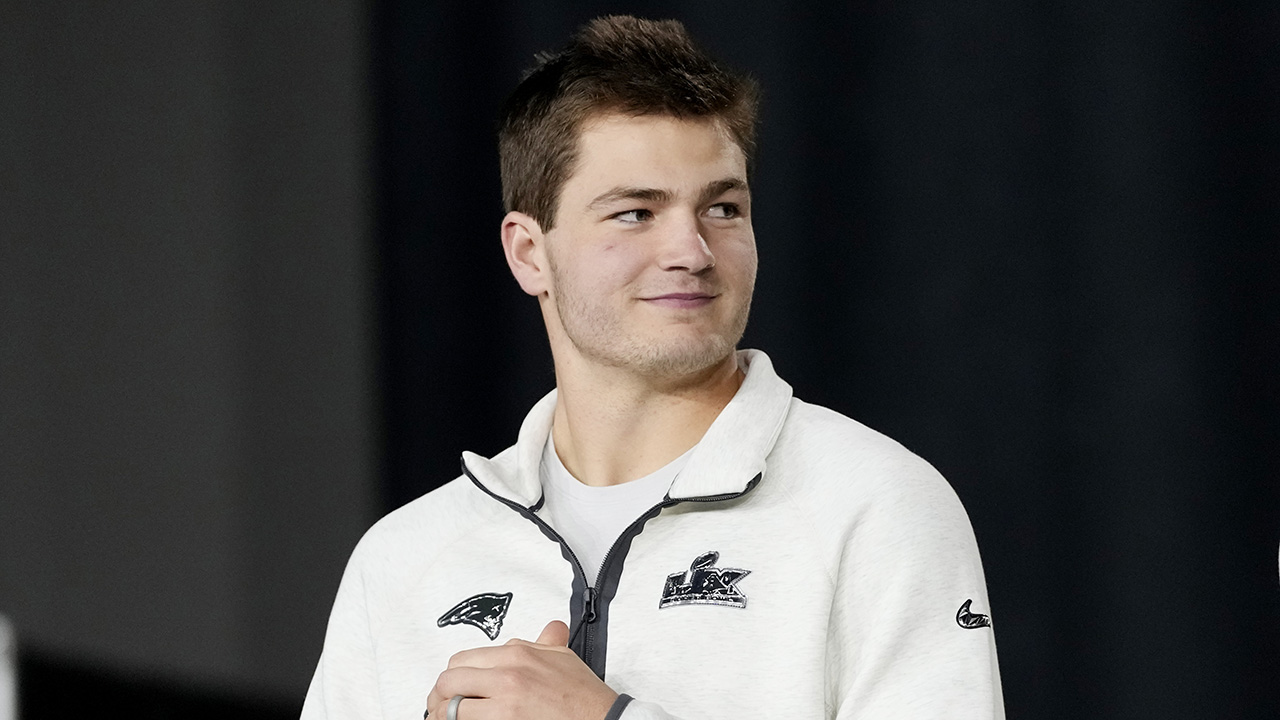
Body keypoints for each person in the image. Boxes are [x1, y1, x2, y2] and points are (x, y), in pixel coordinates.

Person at [302, 15, 1003, 720]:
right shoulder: (403, 559)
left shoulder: (877, 506)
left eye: (722, 208)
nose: (692, 252)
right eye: (636, 213)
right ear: (528, 253)